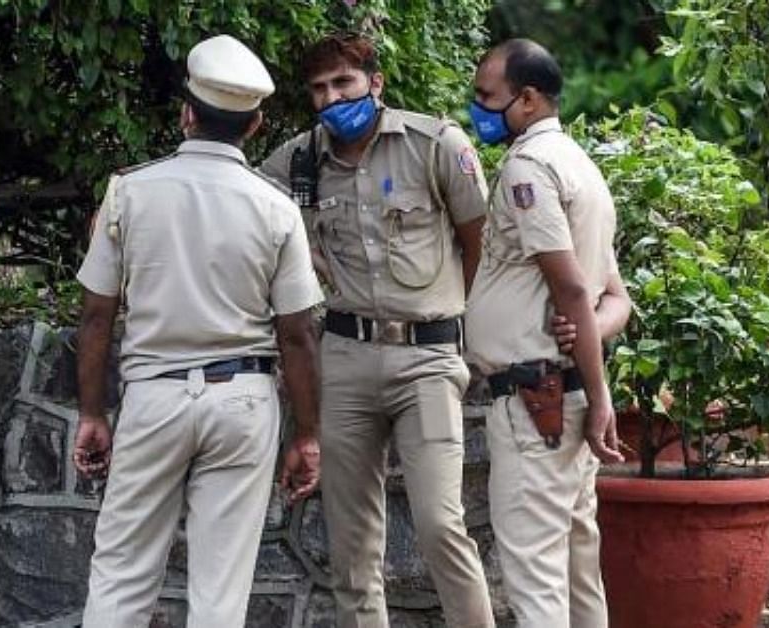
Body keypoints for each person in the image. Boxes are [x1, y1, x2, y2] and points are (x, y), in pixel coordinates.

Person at [72, 34, 324, 628]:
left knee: (122, 574)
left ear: (187, 113)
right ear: (256, 125)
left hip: (154, 396)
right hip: (243, 398)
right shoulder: (276, 207)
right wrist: (307, 433)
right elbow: (296, 335)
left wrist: (91, 413)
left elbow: (95, 315)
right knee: (220, 591)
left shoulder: (128, 192)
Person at [260, 33, 495, 628]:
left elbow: (479, 245)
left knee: (442, 524)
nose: (332, 98)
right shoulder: (298, 160)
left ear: (375, 82)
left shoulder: (434, 144)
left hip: (428, 356)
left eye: (343, 82)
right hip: (344, 356)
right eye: (318, 89)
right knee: (351, 542)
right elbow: (239, 202)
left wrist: (463, 325)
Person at [464, 38, 630, 627]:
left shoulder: (528, 169)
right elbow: (616, 301)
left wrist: (600, 390)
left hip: (536, 400)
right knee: (578, 570)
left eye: (487, 96)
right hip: (566, 398)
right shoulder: (581, 165)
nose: (475, 108)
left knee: (535, 579)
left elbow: (575, 291)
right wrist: (592, 378)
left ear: (527, 99)